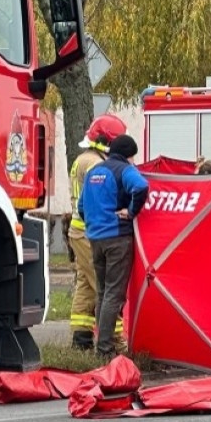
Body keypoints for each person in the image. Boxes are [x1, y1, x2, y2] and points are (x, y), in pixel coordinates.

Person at [78, 135, 150, 357]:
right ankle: (105, 349)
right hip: (117, 238)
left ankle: (102, 344)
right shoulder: (124, 170)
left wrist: (94, 223)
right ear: (128, 154)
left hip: (95, 238)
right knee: (113, 294)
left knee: (102, 292)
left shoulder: (93, 172)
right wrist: (130, 211)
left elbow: (81, 206)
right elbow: (141, 186)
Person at [67, 115, 128, 352]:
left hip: (79, 231)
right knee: (106, 287)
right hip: (90, 233)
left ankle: (81, 339)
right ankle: (113, 341)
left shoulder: (84, 159)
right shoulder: (95, 164)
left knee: (86, 284)